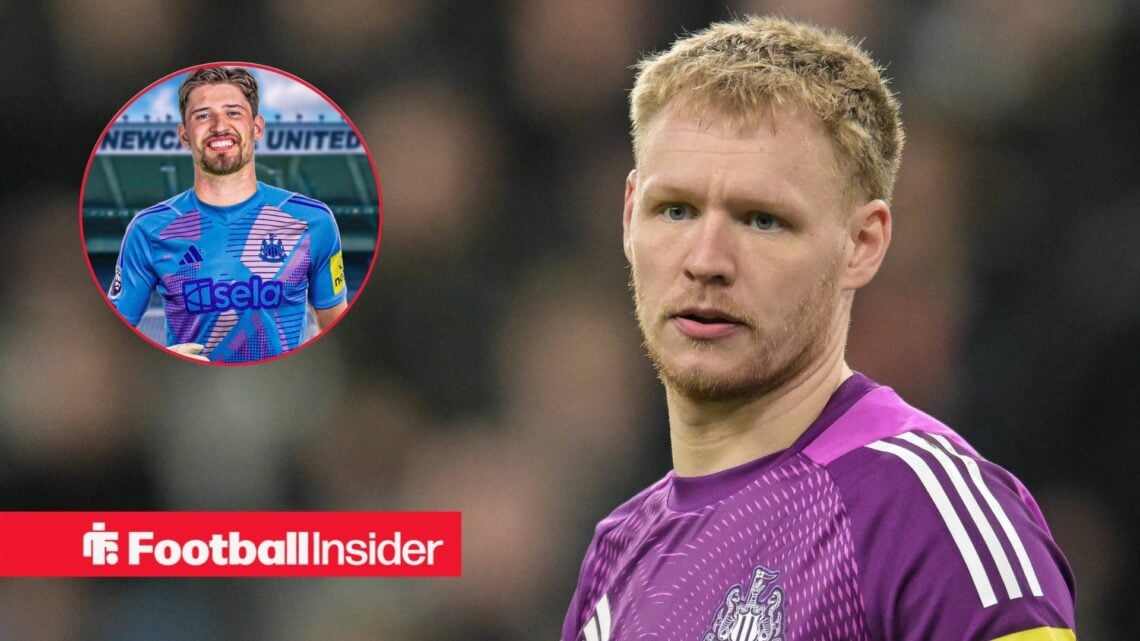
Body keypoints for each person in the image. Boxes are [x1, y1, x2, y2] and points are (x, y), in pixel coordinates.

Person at [562, 17, 1075, 641]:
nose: (706, 260)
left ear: (863, 243)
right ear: (628, 216)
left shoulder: (922, 512)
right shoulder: (617, 557)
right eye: (675, 210)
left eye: (762, 220)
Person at [108, 66, 348, 363]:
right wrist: (163, 357)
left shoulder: (313, 221)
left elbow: (339, 334)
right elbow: (110, 343)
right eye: (203, 116)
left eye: (233, 113)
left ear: (257, 127)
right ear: (184, 134)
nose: (219, 126)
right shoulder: (149, 229)